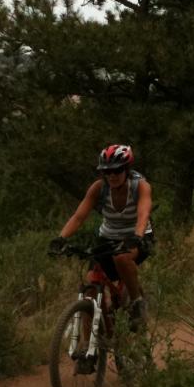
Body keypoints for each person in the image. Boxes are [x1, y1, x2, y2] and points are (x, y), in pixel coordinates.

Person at [50, 144, 153, 371]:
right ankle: (90, 349)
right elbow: (79, 216)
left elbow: (144, 212)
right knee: (89, 289)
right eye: (106, 171)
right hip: (107, 238)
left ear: (126, 169)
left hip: (137, 237)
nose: (112, 175)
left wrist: (137, 236)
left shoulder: (140, 186)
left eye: (116, 170)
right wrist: (61, 238)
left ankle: (136, 303)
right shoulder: (99, 188)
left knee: (121, 259)